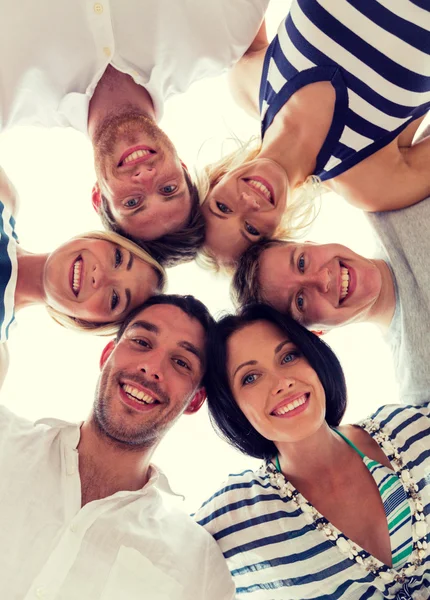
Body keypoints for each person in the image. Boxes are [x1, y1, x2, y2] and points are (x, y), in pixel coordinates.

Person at [0, 294, 235, 598]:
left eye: (180, 362)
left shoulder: (199, 563)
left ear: (196, 400)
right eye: (142, 342)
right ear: (107, 354)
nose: (152, 368)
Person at [0, 0, 269, 266]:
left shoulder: (7, 98)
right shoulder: (222, 38)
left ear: (98, 197)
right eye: (168, 188)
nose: (145, 177)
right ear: (182, 166)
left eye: (132, 202)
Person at [194, 304, 430, 599]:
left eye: (289, 356)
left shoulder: (413, 428)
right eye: (251, 377)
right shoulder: (235, 517)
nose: (282, 383)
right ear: (233, 407)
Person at [199, 0, 430, 266]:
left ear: (216, 180)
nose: (248, 203)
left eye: (222, 207)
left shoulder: (247, 82)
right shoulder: (370, 184)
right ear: (277, 235)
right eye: (251, 229)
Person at [231, 184, 430, 406]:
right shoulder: (420, 383)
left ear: (310, 243)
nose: (323, 279)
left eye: (302, 262)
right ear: (317, 330)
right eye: (300, 301)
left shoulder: (388, 195)